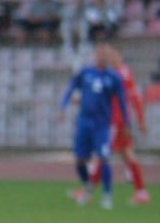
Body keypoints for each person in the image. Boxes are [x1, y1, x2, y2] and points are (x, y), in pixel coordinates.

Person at [61, 43, 130, 208]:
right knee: (79, 161)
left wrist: (127, 123)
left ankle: (107, 195)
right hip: (84, 123)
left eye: (105, 55)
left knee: (104, 159)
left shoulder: (113, 77)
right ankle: (88, 188)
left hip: (102, 125)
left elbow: (122, 101)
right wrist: (63, 106)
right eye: (100, 54)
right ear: (95, 56)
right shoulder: (86, 73)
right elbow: (71, 88)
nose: (103, 57)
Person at [107, 48, 150, 204]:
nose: (110, 59)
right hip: (117, 120)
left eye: (113, 56)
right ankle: (141, 191)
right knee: (125, 153)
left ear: (119, 57)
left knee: (103, 153)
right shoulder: (119, 73)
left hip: (118, 121)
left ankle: (87, 191)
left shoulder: (121, 74)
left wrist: (140, 120)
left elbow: (134, 98)